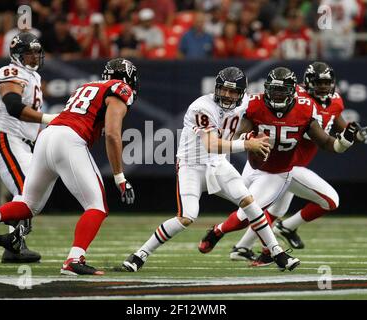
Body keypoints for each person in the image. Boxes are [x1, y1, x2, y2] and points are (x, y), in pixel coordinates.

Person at [122, 66, 301, 273]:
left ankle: (277, 253)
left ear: (241, 93)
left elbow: (273, 96)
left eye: (233, 91)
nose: (227, 94)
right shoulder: (202, 107)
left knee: (250, 204)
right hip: (192, 166)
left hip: (218, 163)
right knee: (187, 217)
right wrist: (246, 144)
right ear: (216, 88)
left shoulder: (247, 101)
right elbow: (210, 144)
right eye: (224, 89)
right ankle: (140, 255)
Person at [0, 58, 139, 276]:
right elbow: (112, 134)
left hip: (46, 136)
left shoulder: (86, 86)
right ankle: (74, 259)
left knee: (28, 205)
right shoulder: (122, 89)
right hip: (68, 139)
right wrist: (120, 177)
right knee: (97, 206)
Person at [197, 67, 359, 262]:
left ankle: (219, 232)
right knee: (263, 211)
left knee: (249, 214)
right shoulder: (255, 103)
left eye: (282, 91)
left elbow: (326, 142)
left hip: (278, 172)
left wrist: (344, 142)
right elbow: (238, 130)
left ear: (292, 92)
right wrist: (241, 138)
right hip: (254, 163)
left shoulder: (306, 108)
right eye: (274, 90)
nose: (277, 95)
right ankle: (256, 248)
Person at [0, 32, 59, 263]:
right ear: (16, 55)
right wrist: (47, 119)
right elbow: (14, 106)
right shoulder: (10, 72)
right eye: (28, 53)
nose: (34, 56)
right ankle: (12, 242)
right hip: (7, 138)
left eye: (37, 52)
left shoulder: (32, 76)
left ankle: (9, 240)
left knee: (33, 195)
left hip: (23, 144)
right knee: (28, 193)